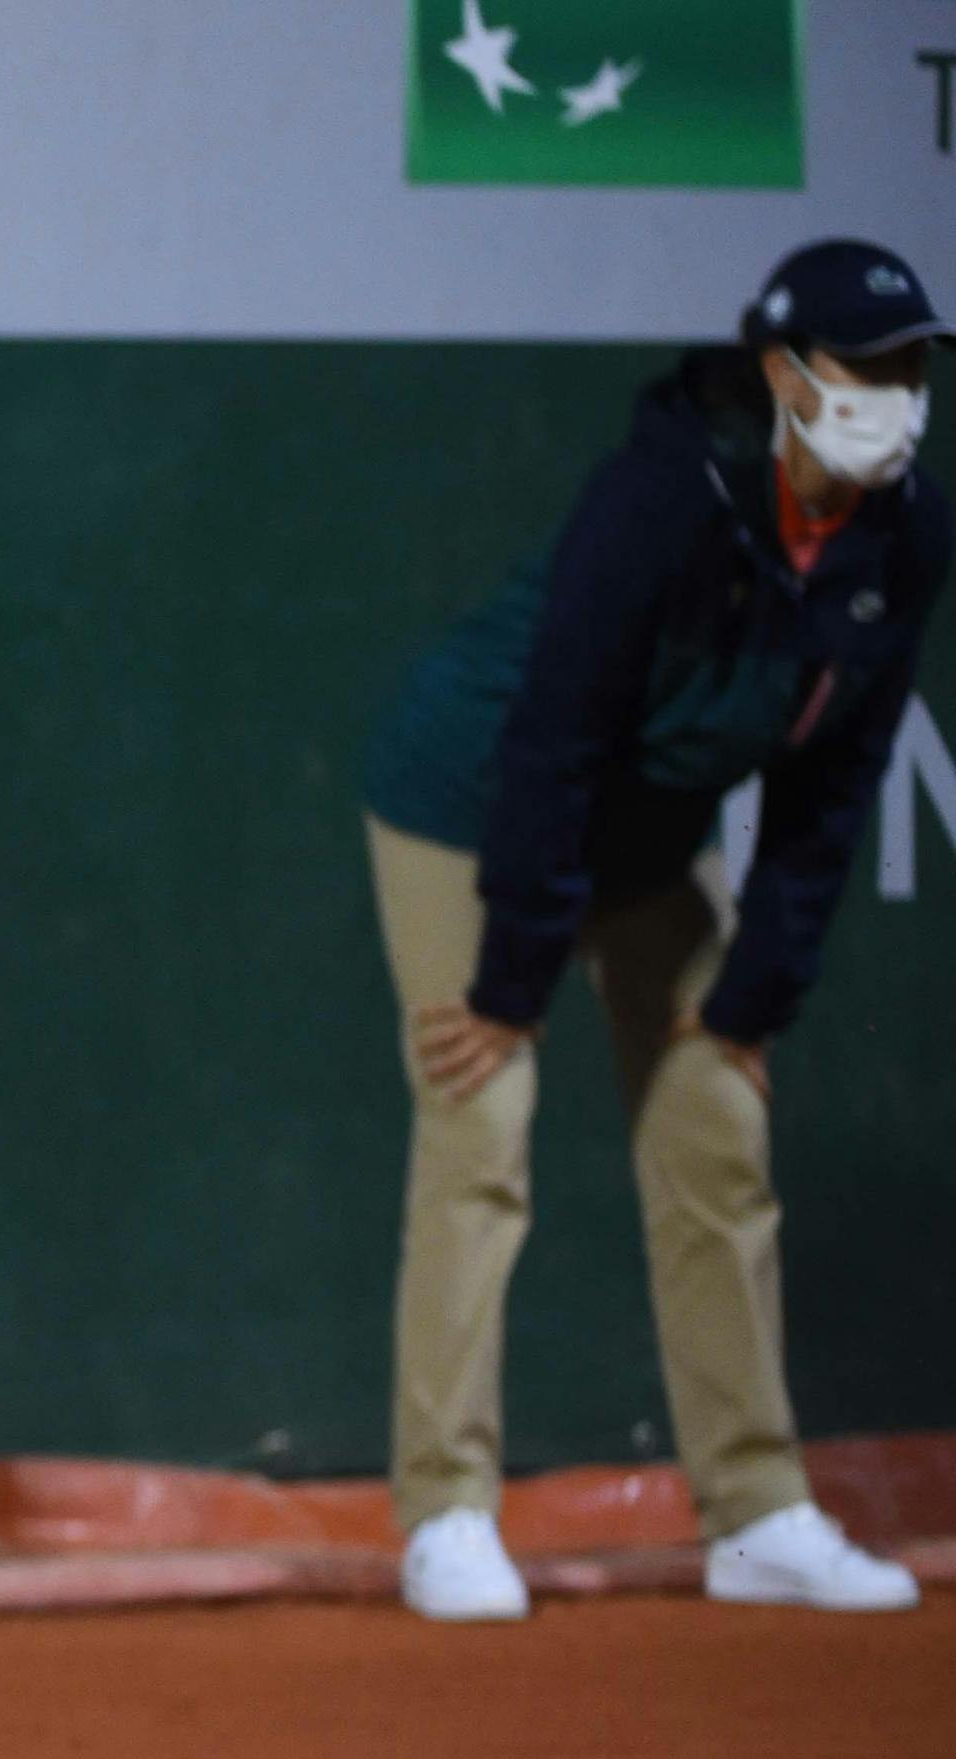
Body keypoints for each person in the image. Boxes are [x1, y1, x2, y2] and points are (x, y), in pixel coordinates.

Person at [359, 238, 944, 1623]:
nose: (895, 397)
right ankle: (446, 1513)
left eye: (912, 368)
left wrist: (750, 1000)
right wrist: (512, 980)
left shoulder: (909, 533)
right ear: (783, 376)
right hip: (473, 797)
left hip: (644, 831)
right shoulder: (662, 499)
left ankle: (756, 1513)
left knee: (717, 1126)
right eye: (864, 369)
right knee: (480, 1113)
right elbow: (555, 737)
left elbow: (833, 782)